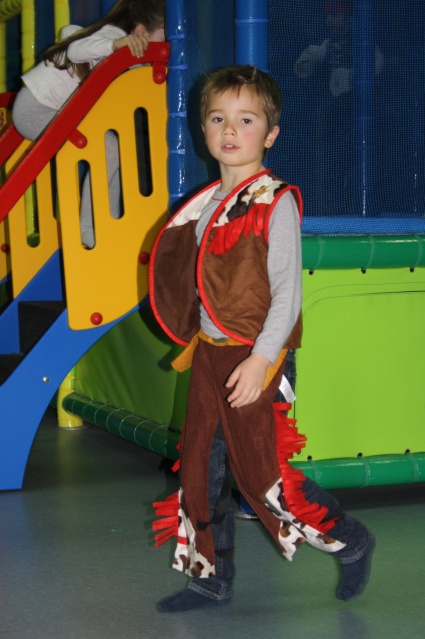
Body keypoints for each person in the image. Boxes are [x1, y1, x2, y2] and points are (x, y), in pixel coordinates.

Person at [150, 65, 376, 613]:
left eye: (246, 120)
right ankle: (209, 578)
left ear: (270, 134)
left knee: (263, 478)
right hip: (209, 357)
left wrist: (261, 360)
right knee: (199, 470)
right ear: (202, 130)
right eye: (218, 119)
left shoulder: (276, 202)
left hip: (257, 358)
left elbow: (287, 296)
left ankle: (349, 540)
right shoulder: (205, 205)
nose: (230, 130)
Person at [11, 0, 165, 248]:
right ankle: (88, 228)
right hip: (37, 109)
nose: (166, 47)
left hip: (43, 108)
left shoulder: (131, 56)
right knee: (111, 148)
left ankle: (107, 221)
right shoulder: (114, 37)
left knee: (115, 151)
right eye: (164, 38)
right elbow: (75, 50)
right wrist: (116, 44)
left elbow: (70, 33)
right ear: (140, 32)